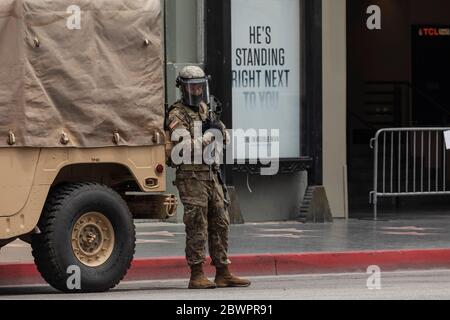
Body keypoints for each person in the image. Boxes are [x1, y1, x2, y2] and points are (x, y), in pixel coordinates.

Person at [167, 66, 251, 289]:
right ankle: (196, 274)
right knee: (197, 223)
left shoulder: (205, 110)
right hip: (191, 176)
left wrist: (218, 131)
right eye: (192, 86)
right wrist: (205, 138)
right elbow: (182, 146)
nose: (196, 90)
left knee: (221, 221)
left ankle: (223, 271)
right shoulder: (177, 113)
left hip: (210, 173)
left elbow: (224, 136)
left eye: (199, 86)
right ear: (184, 88)